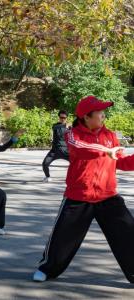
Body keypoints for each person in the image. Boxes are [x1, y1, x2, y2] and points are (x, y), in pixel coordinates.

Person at [33, 95, 134, 283]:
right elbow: (81, 148)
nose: (103, 115)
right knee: (62, 237)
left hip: (108, 196)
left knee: (129, 233)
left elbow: (119, 161)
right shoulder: (72, 134)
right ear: (86, 117)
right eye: (100, 112)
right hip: (79, 196)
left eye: (104, 111)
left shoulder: (110, 135)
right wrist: (105, 150)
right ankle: (47, 268)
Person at [42, 110, 70, 182]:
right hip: (54, 151)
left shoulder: (70, 127)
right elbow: (55, 128)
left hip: (66, 151)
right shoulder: (55, 126)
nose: (62, 119)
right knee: (45, 164)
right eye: (61, 117)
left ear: (66, 118)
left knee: (78, 164)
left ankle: (75, 178)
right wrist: (65, 125)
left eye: (64, 118)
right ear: (59, 117)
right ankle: (48, 177)